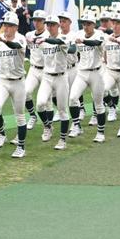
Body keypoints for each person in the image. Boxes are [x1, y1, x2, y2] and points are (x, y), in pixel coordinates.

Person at [0, 12, 28, 158]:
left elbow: (15, 46)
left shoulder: (21, 39)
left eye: (10, 26)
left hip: (18, 82)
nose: (7, 28)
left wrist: (3, 41)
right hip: (4, 81)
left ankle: (21, 147)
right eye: (5, 25)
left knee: (20, 116)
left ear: (16, 27)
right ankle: (1, 133)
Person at [68, 12, 107, 143]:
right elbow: (72, 48)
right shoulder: (77, 34)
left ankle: (101, 132)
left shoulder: (99, 34)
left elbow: (96, 42)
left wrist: (83, 41)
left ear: (94, 24)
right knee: (73, 98)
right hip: (82, 72)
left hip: (97, 72)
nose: (85, 26)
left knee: (99, 104)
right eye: (84, 23)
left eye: (88, 23)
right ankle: (77, 125)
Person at [36, 15, 73, 149]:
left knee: (63, 110)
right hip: (47, 76)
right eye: (48, 24)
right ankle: (48, 126)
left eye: (53, 24)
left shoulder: (63, 38)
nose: (50, 27)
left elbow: (57, 42)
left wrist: (44, 39)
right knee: (40, 104)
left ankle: (62, 140)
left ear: (58, 26)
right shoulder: (43, 41)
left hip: (61, 77)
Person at [24, 10, 49, 131]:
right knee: (26, 92)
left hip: (47, 70)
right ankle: (33, 116)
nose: (36, 23)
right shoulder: (29, 34)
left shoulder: (49, 35)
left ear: (44, 22)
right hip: (33, 69)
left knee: (46, 101)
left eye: (39, 20)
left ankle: (47, 127)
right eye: (35, 20)